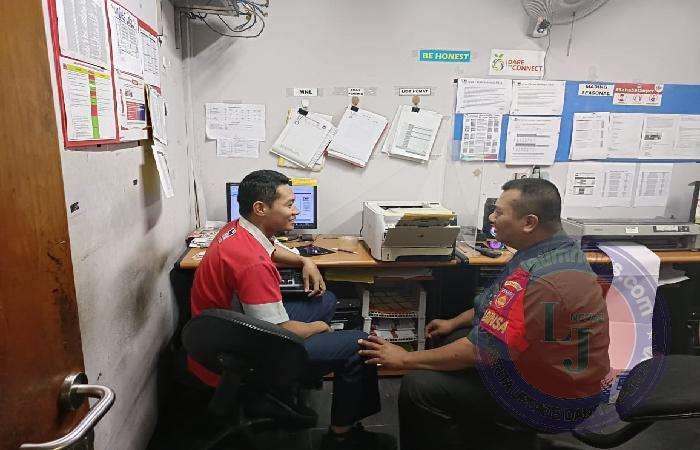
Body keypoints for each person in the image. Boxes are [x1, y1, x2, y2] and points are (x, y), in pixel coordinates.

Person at [358, 178, 610, 450]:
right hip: (546, 370)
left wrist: (404, 358)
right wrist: (452, 322)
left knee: (419, 386)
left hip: (552, 398)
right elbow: (498, 305)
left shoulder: (542, 280)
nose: (491, 217)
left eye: (499, 212)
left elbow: (481, 350)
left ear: (529, 223)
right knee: (451, 336)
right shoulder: (550, 251)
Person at [189, 170, 395, 450]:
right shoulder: (252, 264)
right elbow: (280, 330)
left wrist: (305, 262)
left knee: (325, 300)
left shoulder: (236, 229)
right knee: (359, 345)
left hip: (220, 336)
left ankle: (287, 384)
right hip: (243, 349)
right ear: (261, 209)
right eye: (289, 204)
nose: (296, 210)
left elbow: (271, 249)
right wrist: (319, 328)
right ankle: (341, 436)